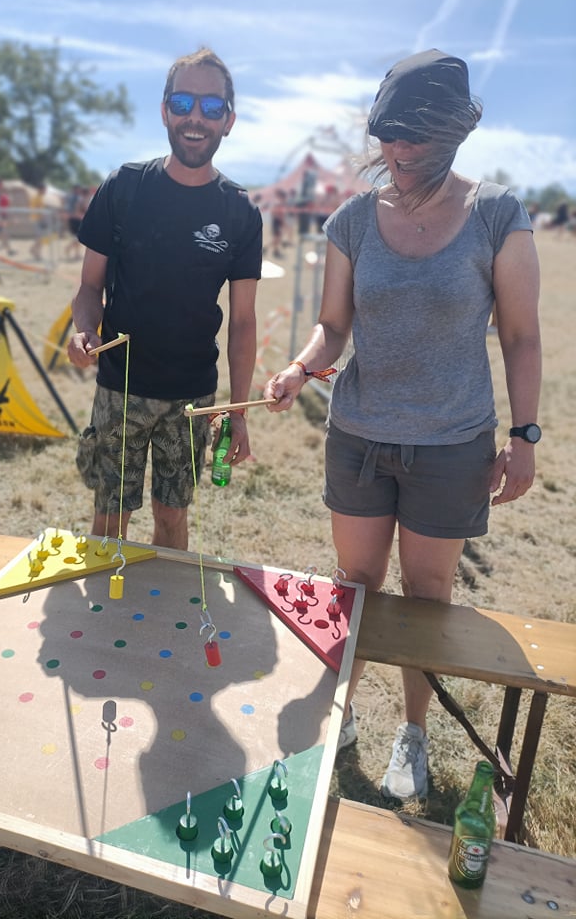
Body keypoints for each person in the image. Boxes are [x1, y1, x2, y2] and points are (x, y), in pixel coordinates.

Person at [264, 49, 541, 801]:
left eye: (415, 135)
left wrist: (524, 436)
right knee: (354, 584)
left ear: (453, 132)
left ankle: (413, 732)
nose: (398, 149)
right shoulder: (353, 220)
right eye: (388, 134)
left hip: (453, 447)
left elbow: (522, 336)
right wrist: (301, 368)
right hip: (359, 436)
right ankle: (343, 711)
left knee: (427, 595)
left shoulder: (496, 214)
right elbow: (333, 327)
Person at [68, 47, 262, 549]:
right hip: (120, 387)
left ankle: (163, 606)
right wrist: (84, 330)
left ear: (229, 120)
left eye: (211, 106)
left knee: (172, 521)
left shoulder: (240, 212)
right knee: (108, 524)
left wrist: (238, 411)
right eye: (182, 102)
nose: (196, 117)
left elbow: (243, 322)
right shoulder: (124, 188)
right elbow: (89, 287)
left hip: (192, 399)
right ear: (164, 111)